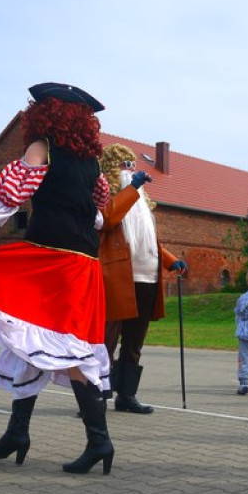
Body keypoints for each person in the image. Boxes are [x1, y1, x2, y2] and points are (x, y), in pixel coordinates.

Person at [0, 83, 116, 475]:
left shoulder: (42, 147)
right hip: (83, 262)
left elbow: (8, 198)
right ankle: (18, 433)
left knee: (63, 346)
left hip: (52, 259)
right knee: (28, 337)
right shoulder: (92, 163)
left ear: (48, 113)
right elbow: (98, 209)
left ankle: (99, 441)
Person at [96, 143, 187, 414]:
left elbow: (149, 242)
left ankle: (127, 395)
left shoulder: (142, 203)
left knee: (135, 341)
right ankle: (97, 397)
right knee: (107, 339)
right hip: (118, 277)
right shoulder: (108, 199)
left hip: (147, 278)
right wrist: (132, 188)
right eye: (124, 165)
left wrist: (170, 260)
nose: (130, 170)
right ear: (111, 169)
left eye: (133, 165)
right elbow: (108, 219)